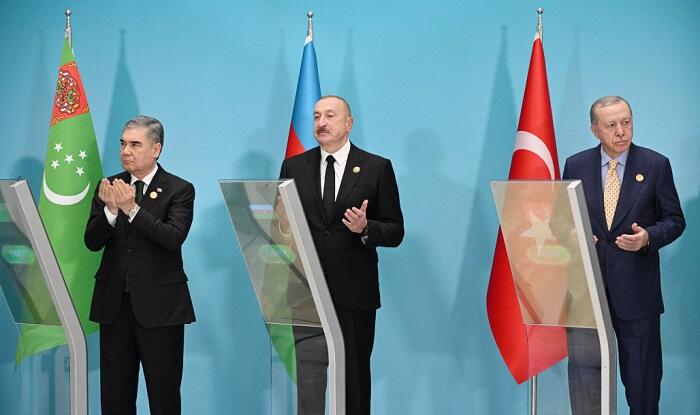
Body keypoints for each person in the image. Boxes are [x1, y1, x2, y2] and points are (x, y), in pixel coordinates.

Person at [280, 95, 404, 414]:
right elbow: (283, 223)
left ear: (349, 123)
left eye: (330, 116)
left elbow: (395, 231)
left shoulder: (376, 167)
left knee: (353, 381)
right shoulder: (294, 166)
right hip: (306, 292)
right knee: (309, 382)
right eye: (316, 116)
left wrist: (366, 227)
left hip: (354, 293)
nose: (321, 122)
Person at [563, 96, 685, 415]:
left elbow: (674, 220)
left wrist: (647, 237)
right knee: (585, 382)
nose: (621, 131)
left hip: (636, 292)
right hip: (587, 294)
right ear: (595, 130)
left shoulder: (655, 164)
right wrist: (574, 235)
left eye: (626, 122)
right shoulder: (576, 165)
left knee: (642, 382)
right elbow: (562, 219)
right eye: (611, 125)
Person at [84, 116, 196, 415]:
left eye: (135, 145)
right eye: (123, 144)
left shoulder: (179, 189)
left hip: (160, 310)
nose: (126, 151)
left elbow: (172, 238)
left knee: (163, 398)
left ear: (156, 149)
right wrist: (110, 210)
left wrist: (132, 209)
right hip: (114, 308)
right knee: (115, 399)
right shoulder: (109, 186)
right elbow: (92, 241)